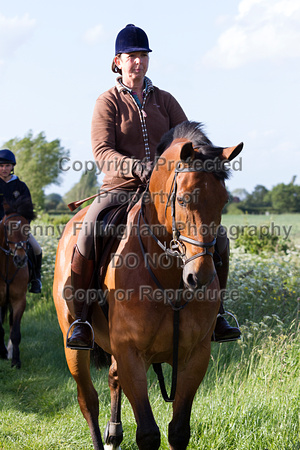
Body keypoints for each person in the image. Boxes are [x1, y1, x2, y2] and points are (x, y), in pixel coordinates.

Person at [67, 24, 240, 349]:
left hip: (169, 192)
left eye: (143, 55)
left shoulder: (165, 100)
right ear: (118, 61)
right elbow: (103, 151)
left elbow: (191, 140)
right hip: (121, 189)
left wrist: (206, 163)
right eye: (132, 56)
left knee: (218, 237)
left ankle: (217, 314)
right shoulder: (107, 102)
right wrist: (140, 169)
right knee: (89, 230)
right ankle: (82, 318)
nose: (138, 62)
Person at [0, 149, 42, 294]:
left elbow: (27, 211)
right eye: (1, 166)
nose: (4, 169)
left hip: (17, 229)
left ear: (12, 167)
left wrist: (22, 228)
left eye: (7, 166)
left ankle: (36, 278)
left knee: (36, 249)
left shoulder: (21, 186)